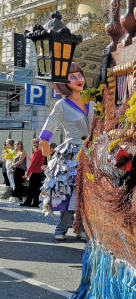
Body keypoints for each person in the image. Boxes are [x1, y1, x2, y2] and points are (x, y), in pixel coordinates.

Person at [39, 63, 94, 241]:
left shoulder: (91, 101)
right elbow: (51, 123)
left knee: (89, 191)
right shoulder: (61, 105)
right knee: (70, 191)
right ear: (64, 82)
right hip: (72, 152)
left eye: (80, 75)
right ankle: (62, 226)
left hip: (92, 151)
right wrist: (45, 140)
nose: (78, 79)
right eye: (72, 76)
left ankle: (84, 227)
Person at [21, 139, 45, 207]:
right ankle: (35, 203)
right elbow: (36, 162)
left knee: (31, 188)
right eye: (33, 143)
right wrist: (30, 158)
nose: (33, 144)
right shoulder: (41, 151)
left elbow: (33, 164)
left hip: (35, 173)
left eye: (35, 143)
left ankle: (28, 202)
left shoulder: (37, 152)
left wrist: (27, 174)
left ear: (38, 144)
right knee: (36, 189)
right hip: (39, 173)